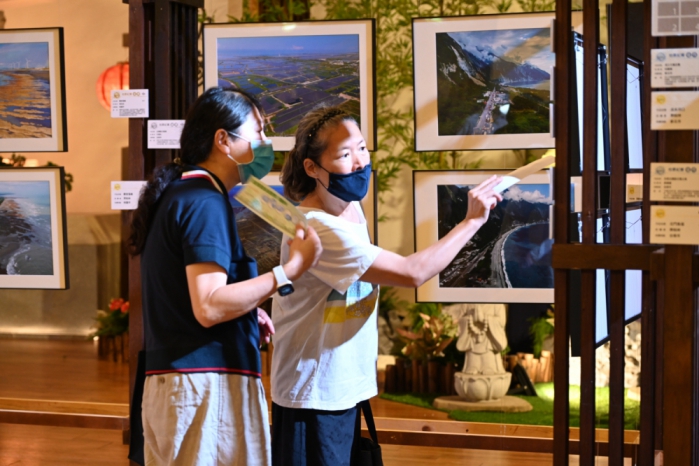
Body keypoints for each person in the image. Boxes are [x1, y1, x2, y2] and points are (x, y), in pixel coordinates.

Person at [271, 106, 502, 465]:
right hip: (312, 394)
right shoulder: (317, 227)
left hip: (344, 385)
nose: (360, 162)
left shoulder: (350, 208)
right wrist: (471, 222)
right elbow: (412, 272)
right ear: (312, 167)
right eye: (344, 155)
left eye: (362, 148)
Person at [128, 87, 322, 466]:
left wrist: (247, 312)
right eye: (258, 131)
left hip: (186, 384)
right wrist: (290, 270)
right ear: (223, 140)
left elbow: (191, 298)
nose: (265, 142)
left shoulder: (185, 195)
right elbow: (209, 307)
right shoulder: (204, 202)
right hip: (203, 387)